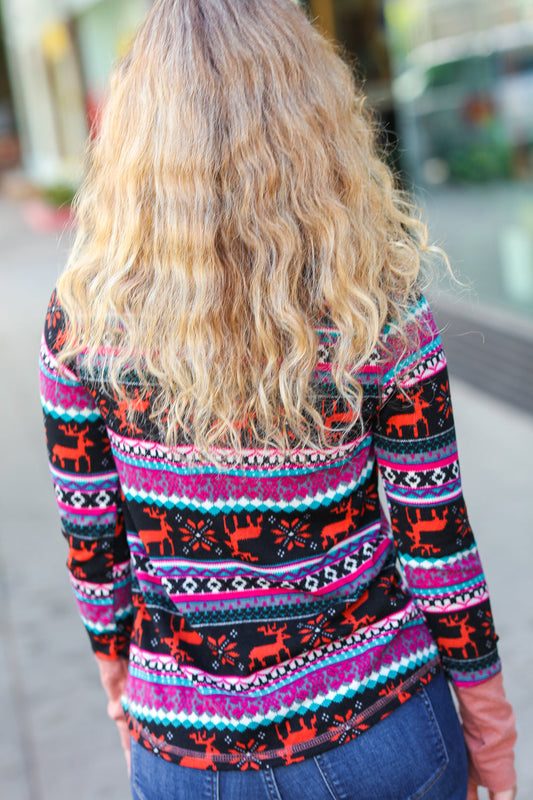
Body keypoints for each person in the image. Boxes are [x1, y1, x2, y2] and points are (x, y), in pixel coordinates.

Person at [39, 0, 517, 798]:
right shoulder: (376, 303)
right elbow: (436, 542)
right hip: (383, 731)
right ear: (312, 114)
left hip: (185, 749)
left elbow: (94, 546)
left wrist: (123, 691)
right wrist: (490, 729)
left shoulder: (83, 319)